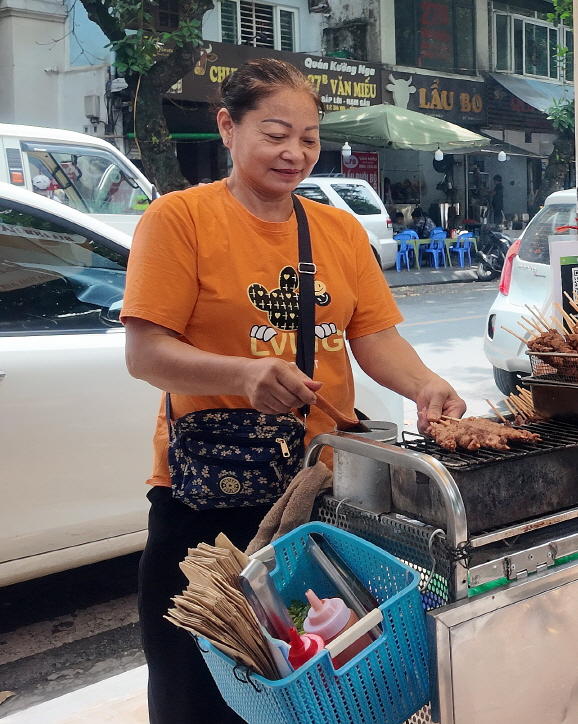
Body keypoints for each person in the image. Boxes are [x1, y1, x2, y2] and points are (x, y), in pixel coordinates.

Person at [121, 58, 467, 724]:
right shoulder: (178, 220)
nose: (295, 152)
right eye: (276, 132)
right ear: (228, 126)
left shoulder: (336, 230)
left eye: (309, 138)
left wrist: (426, 383)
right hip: (208, 499)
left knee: (319, 676)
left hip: (317, 497)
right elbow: (146, 354)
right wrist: (242, 375)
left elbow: (372, 338)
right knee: (197, 685)